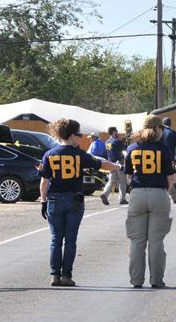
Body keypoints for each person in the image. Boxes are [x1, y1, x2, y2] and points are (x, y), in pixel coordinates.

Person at [40, 119, 119, 287]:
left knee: (55, 239)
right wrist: (116, 167)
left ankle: (54, 275)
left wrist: (43, 201)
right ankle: (66, 276)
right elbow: (100, 164)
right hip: (74, 199)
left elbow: (44, 182)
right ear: (70, 135)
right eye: (79, 134)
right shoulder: (79, 154)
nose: (81, 137)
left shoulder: (50, 154)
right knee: (70, 240)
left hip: (54, 199)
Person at [124, 115, 175, 288]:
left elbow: (129, 175)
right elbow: (171, 177)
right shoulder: (163, 149)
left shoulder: (132, 148)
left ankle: (136, 280)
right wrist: (162, 192)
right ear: (158, 129)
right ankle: (156, 280)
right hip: (159, 194)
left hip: (137, 194)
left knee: (137, 241)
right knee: (156, 241)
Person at [100, 126, 128, 206]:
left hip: (111, 163)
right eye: (116, 131)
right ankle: (122, 199)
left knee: (112, 181)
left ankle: (105, 194)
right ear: (113, 132)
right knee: (123, 181)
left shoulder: (107, 142)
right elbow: (125, 148)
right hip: (119, 163)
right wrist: (123, 141)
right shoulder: (117, 141)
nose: (117, 133)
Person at [161, 117, 176, 203]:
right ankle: (172, 196)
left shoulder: (159, 132)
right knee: (169, 178)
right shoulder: (173, 133)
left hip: (158, 158)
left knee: (164, 178)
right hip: (169, 159)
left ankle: (174, 196)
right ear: (170, 123)